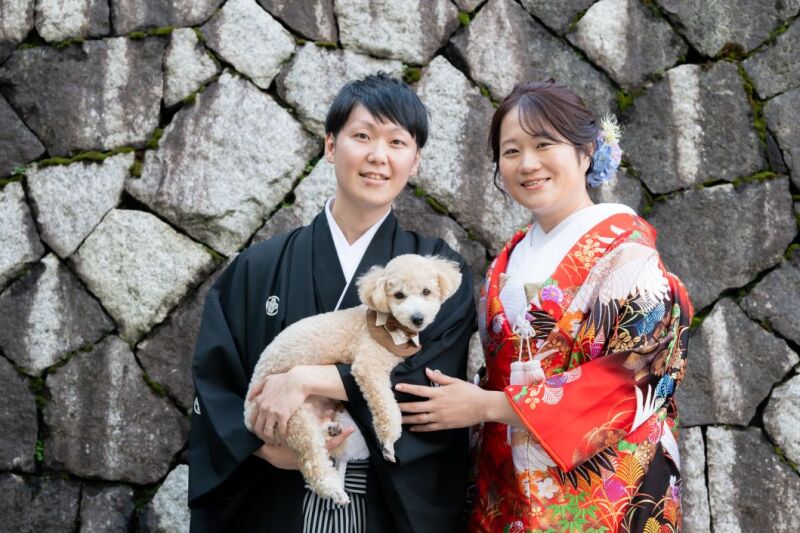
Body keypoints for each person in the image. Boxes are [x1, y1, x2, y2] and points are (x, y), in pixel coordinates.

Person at [397, 80, 693, 532]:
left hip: (605, 488)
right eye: (511, 151)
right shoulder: (507, 260)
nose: (527, 164)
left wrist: (490, 407)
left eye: (543, 144)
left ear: (587, 150)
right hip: (506, 486)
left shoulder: (628, 253)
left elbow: (644, 372)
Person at [188, 73, 476, 532]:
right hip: (274, 494)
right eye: (362, 136)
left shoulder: (435, 270)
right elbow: (216, 383)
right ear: (329, 146)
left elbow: (424, 372)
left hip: (383, 505)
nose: (378, 156)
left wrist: (304, 379)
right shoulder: (257, 267)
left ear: (415, 160)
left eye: (397, 143)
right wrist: (264, 448)